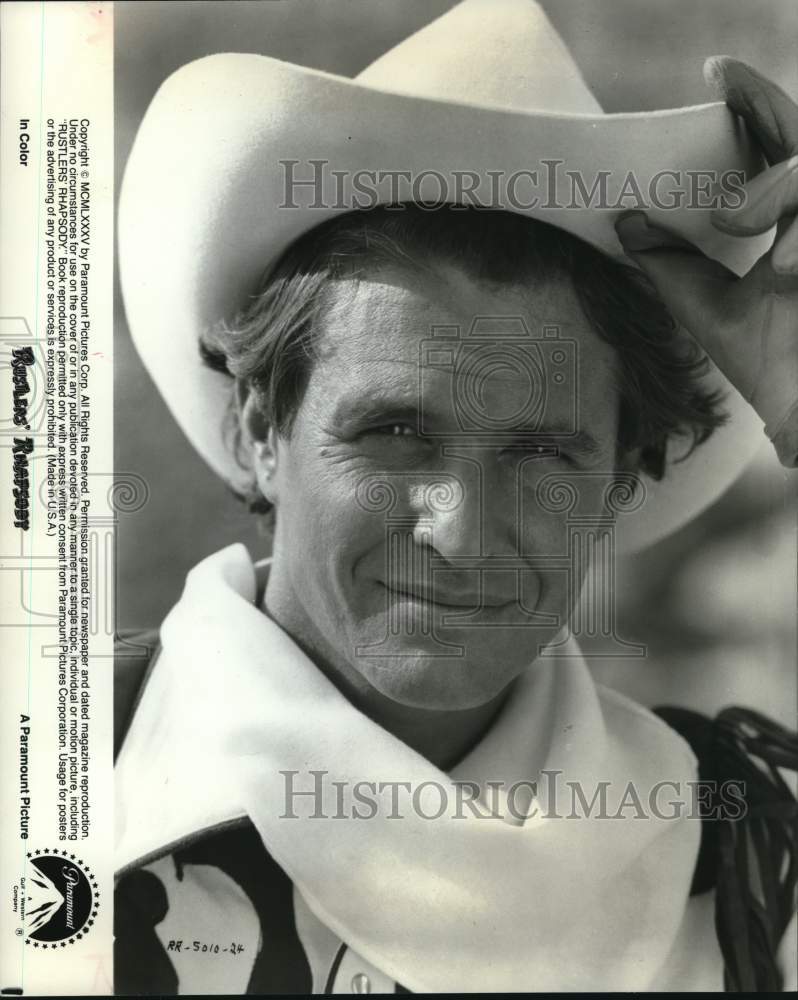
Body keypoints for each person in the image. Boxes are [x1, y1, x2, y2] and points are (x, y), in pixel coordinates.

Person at [113, 1, 798, 992]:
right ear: (261, 430)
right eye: (394, 433)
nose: (463, 529)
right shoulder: (50, 778)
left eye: (541, 452)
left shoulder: (745, 854)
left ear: (619, 477)